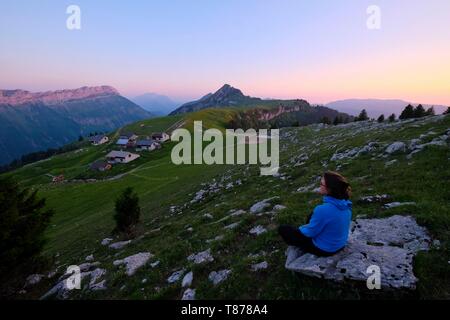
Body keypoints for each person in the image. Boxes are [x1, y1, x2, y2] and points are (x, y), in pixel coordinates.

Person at [278, 171, 352, 256]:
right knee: (312, 215)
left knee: (284, 229)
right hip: (339, 244)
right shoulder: (345, 204)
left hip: (325, 249)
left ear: (330, 189)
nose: (319, 186)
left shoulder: (323, 210)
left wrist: (299, 230)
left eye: (321, 184)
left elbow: (309, 233)